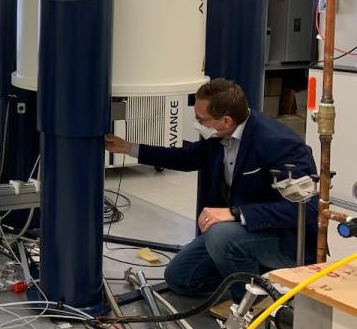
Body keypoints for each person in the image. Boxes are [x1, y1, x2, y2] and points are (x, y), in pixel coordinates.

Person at [105, 78, 318, 306]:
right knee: (179, 278)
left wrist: (236, 213)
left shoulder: (279, 143)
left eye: (200, 119)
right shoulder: (219, 137)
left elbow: (307, 209)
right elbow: (186, 159)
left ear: (225, 120)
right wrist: (129, 148)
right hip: (242, 233)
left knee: (220, 235)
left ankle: (249, 302)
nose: (197, 123)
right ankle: (255, 275)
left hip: (283, 240)